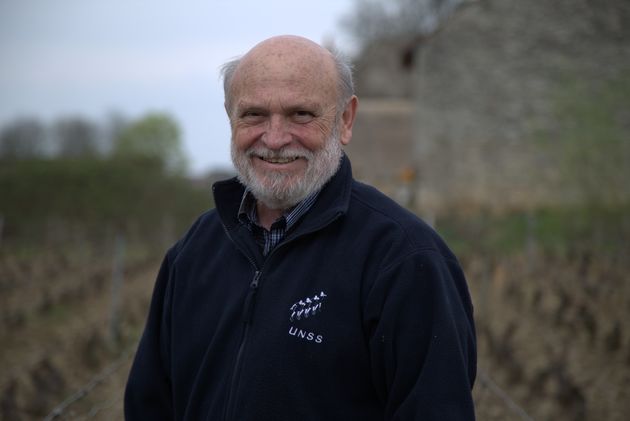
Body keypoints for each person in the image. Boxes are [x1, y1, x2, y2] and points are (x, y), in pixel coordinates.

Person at [125, 35, 476, 420]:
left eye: (301, 115)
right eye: (254, 114)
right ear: (230, 117)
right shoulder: (194, 251)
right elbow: (150, 406)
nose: (275, 139)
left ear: (345, 120)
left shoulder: (405, 259)